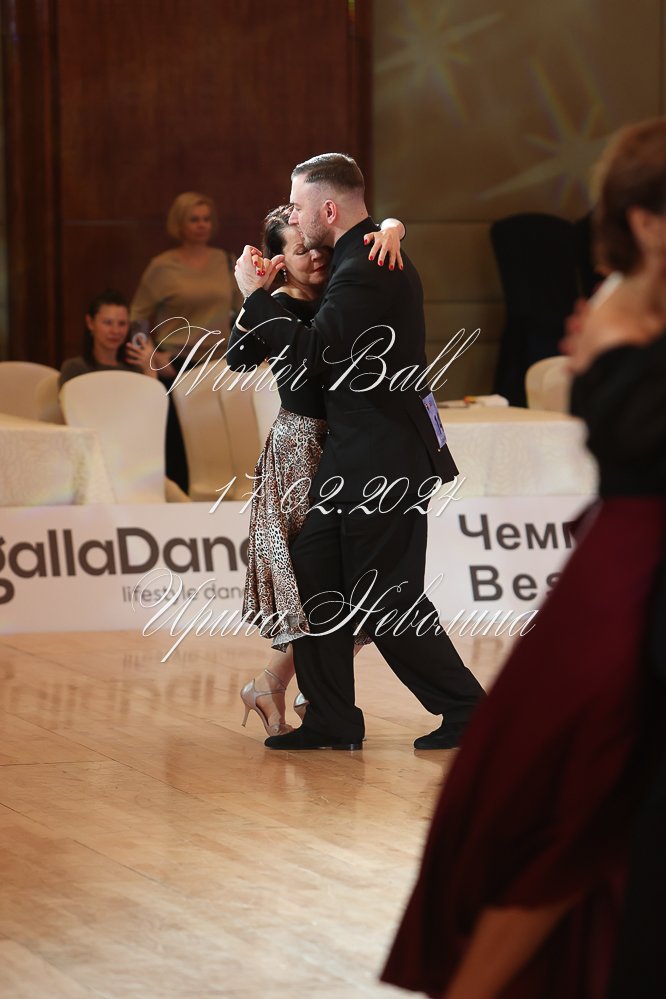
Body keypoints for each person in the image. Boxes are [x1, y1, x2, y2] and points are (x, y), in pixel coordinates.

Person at [381, 118, 666, 999]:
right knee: (564, 807)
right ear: (648, 222)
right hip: (632, 580)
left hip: (635, 569)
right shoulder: (613, 314)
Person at [234, 153, 485, 751]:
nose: (293, 217)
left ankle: (470, 712)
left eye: (299, 207)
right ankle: (331, 718)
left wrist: (254, 297)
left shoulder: (366, 263)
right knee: (314, 568)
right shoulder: (363, 252)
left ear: (327, 209)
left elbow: (315, 352)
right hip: (355, 455)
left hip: (383, 459)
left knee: (386, 597)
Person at [228, 206, 405, 736]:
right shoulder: (280, 304)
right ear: (279, 260)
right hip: (302, 452)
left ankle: (285, 685)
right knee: (322, 582)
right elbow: (238, 358)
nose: (316, 256)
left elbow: (377, 224)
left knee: (353, 579)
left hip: (349, 444)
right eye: (301, 250)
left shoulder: (341, 291)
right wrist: (253, 296)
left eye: (319, 246)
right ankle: (300, 688)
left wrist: (393, 228)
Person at [130, 191, 243, 490]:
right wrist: (150, 355)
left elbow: (243, 312)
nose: (201, 225)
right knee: (179, 447)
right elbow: (137, 317)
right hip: (176, 364)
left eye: (206, 219)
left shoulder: (226, 261)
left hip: (219, 365)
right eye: (194, 219)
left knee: (218, 442)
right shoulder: (162, 266)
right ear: (179, 224)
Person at [59, 288, 156, 387]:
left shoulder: (136, 369)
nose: (115, 331)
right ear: (90, 323)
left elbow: (152, 396)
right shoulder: (75, 368)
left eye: (122, 323)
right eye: (108, 322)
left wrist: (149, 368)